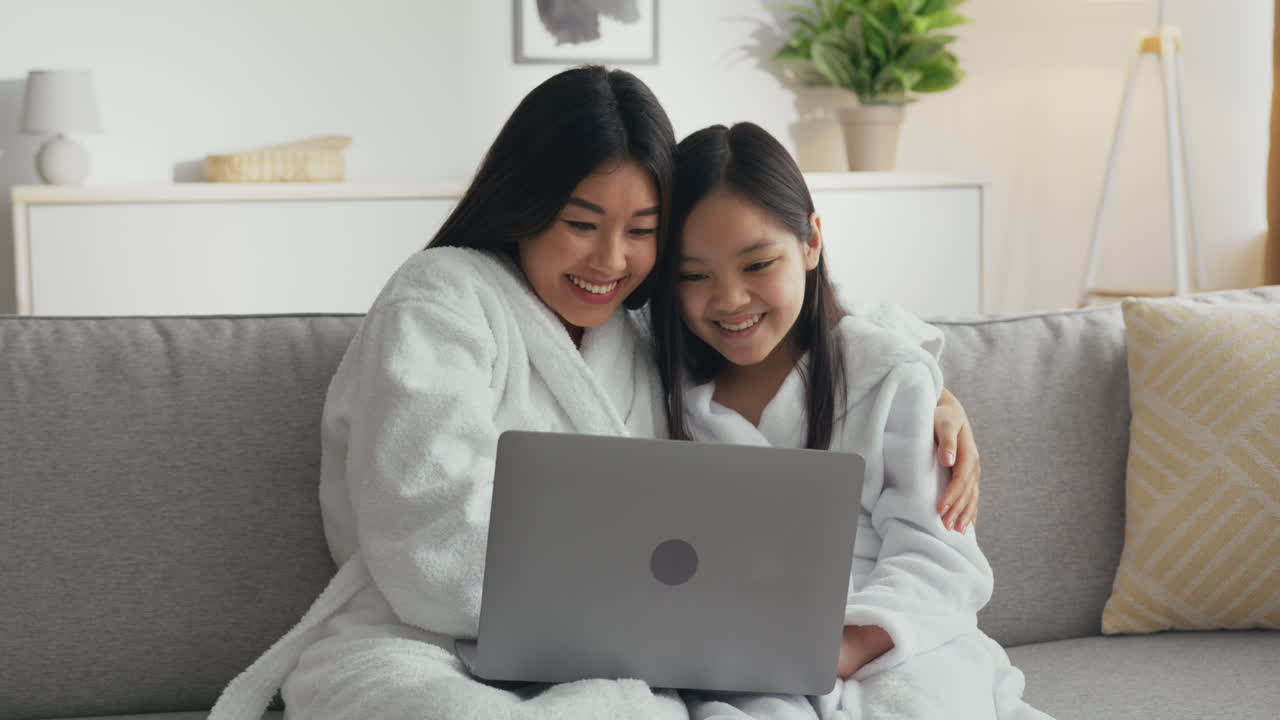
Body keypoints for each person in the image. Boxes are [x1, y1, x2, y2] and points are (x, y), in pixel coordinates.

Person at [209, 68, 981, 720]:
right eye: (582, 223)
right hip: (423, 636)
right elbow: (428, 536)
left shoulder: (636, 333)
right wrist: (636, 622)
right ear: (525, 202)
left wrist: (929, 380)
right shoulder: (440, 301)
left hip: (610, 652)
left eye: (643, 230)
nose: (611, 260)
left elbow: (810, 315)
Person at [649, 122, 1050, 720]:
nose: (729, 298)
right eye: (693, 275)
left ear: (811, 241)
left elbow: (940, 557)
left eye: (758, 264)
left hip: (902, 642)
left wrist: (843, 647)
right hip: (746, 654)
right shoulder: (662, 387)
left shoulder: (886, 375)